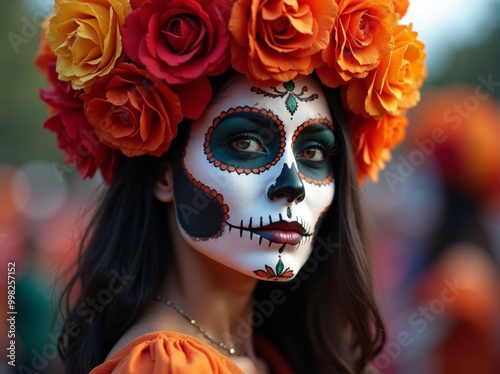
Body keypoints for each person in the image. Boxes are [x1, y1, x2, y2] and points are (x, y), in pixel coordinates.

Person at [34, 0, 426, 373]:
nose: (292, 187)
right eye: (245, 144)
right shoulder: (164, 367)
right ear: (163, 176)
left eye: (313, 151)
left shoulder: (270, 353)